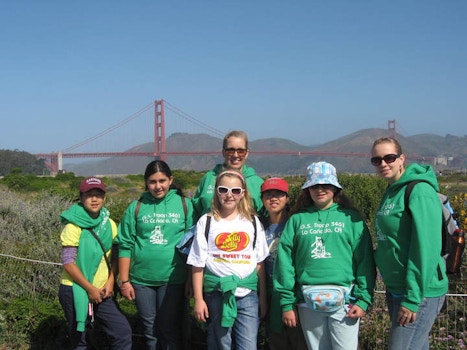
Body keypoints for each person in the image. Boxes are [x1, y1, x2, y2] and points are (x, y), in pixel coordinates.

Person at [273, 162, 375, 350]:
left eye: (325, 185)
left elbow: (365, 260)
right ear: (308, 189)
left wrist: (363, 299)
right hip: (307, 302)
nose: (320, 190)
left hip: (346, 302)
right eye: (314, 186)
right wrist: (287, 303)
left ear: (335, 188)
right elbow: (285, 261)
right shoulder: (297, 219)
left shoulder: (351, 218)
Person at [371, 137, 448, 350]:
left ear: (401, 158)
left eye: (389, 158)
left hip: (419, 292)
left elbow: (426, 247)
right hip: (397, 287)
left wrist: (413, 298)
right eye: (377, 160)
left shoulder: (419, 191)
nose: (383, 164)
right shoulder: (391, 191)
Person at [187, 170, 269, 350]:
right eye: (223, 190)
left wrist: (263, 298)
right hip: (216, 293)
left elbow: (260, 263)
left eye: (236, 191)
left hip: (248, 294)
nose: (229, 195)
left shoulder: (253, 222)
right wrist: (199, 300)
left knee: (248, 346)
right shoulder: (206, 221)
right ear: (216, 191)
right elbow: (197, 264)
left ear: (243, 193)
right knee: (220, 344)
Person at [117, 160, 194, 350]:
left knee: (169, 329)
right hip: (142, 280)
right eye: (152, 182)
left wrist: (191, 280)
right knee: (149, 330)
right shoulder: (136, 207)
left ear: (170, 180)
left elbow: (194, 246)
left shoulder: (185, 204)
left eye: (162, 181)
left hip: (173, 278)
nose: (158, 186)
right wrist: (125, 281)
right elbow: (125, 244)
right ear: (146, 182)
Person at [58, 176, 132, 350]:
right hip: (74, 288)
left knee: (122, 332)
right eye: (89, 194)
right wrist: (89, 289)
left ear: (105, 198)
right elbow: (68, 263)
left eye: (98, 195)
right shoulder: (73, 226)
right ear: (81, 197)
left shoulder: (110, 225)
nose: (94, 199)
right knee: (80, 339)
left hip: (103, 290)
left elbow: (114, 257)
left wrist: (111, 280)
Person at [259, 177, 307, 350]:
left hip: (294, 293)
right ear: (262, 199)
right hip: (269, 292)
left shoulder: (296, 223)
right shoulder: (257, 226)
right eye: (268, 195)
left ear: (287, 198)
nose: (273, 198)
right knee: (277, 340)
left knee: (299, 340)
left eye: (278, 194)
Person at [191, 130, 264, 220]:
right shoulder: (208, 178)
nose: (235, 155)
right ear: (223, 152)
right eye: (230, 150)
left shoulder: (257, 182)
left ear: (247, 153)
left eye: (241, 151)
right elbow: (195, 210)